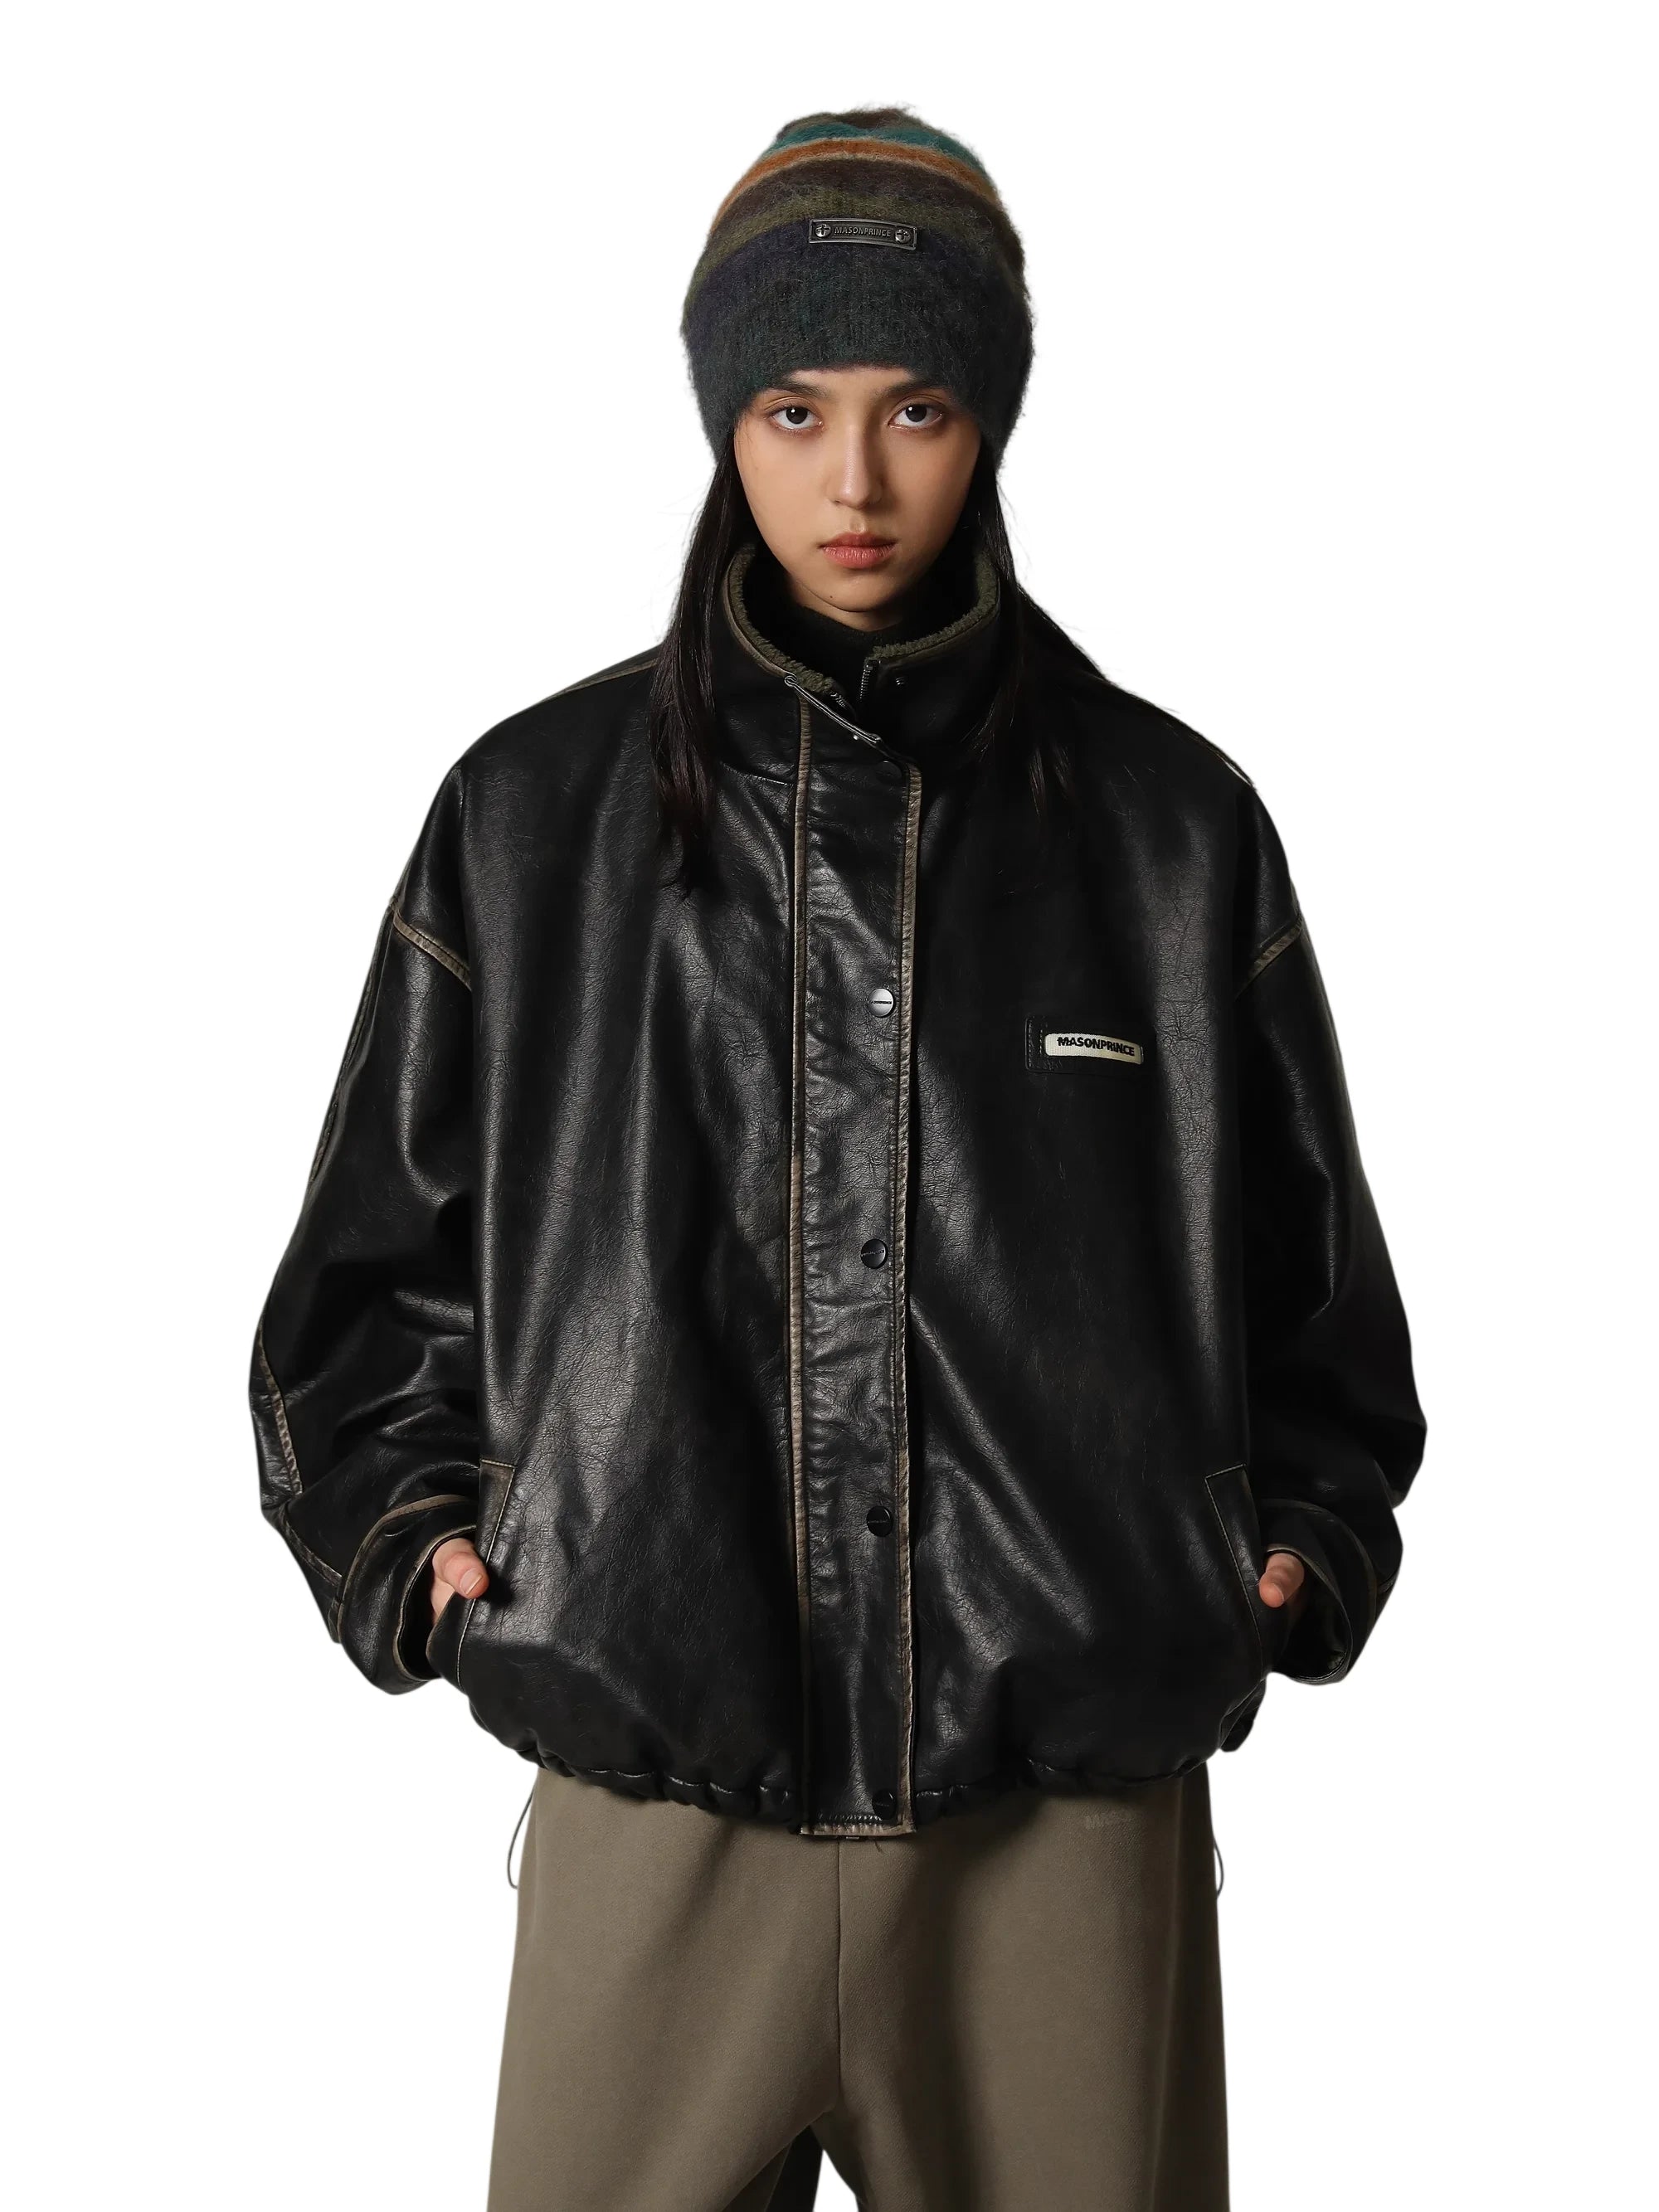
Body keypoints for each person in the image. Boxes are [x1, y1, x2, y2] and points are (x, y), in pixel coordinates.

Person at [249, 105, 1427, 2212]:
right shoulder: (528, 818)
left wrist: (1286, 1546)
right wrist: (420, 1537)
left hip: (1060, 1811)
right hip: (655, 1775)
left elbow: (1313, 1288)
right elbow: (362, 1284)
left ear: (992, 423)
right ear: (726, 421)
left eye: (918, 408)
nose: (855, 481)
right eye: (794, 410)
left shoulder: (1172, 833)